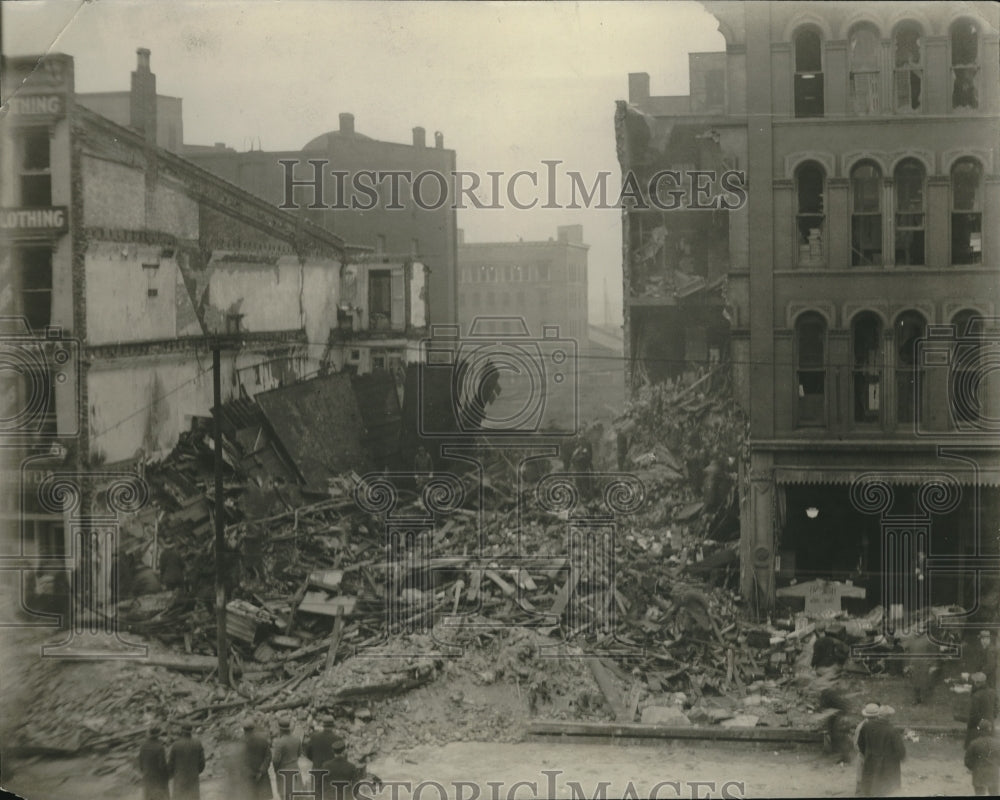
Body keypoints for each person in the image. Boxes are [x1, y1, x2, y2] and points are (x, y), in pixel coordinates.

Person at [856, 702, 906, 796]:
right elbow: (900, 750)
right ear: (889, 717)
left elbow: (860, 743)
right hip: (886, 765)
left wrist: (867, 753)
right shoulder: (892, 730)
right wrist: (898, 757)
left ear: (878, 715)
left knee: (870, 786)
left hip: (870, 760)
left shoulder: (866, 726)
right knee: (886, 790)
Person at [167, 721, 206, 800]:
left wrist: (173, 774)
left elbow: (170, 765)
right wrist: (195, 772)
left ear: (181, 731)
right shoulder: (197, 744)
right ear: (191, 731)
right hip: (193, 780)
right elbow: (202, 764)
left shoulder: (175, 745)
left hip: (179, 781)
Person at [320, 736, 366, 800]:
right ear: (344, 751)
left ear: (333, 752)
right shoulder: (351, 767)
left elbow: (321, 785)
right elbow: (356, 788)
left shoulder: (325, 765)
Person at [240, 716, 272, 800]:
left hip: (249, 779)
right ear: (254, 728)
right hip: (262, 777)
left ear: (244, 730)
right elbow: (268, 756)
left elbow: (240, 761)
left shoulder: (241, 742)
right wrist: (261, 771)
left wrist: (250, 773)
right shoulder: (262, 739)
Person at [965, 720, 1000, 796]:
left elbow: (967, 760)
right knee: (995, 794)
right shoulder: (997, 743)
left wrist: (973, 767)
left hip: (979, 773)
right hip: (993, 773)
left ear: (979, 730)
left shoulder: (974, 743)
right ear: (990, 729)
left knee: (979, 794)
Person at [272, 714, 302, 798]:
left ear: (280, 730)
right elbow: (299, 754)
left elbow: (275, 760)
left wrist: (276, 769)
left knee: (285, 795)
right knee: (296, 794)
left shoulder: (279, 742)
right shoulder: (297, 739)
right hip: (295, 768)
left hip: (283, 770)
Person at [138, 724, 170, 800]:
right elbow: (162, 765)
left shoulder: (143, 746)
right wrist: (166, 775)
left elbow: (140, 763)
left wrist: (144, 772)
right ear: (158, 735)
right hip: (158, 779)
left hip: (147, 777)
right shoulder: (160, 747)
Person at [967, 672, 999, 748]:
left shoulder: (976, 696)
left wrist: (971, 723)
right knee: (990, 747)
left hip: (977, 726)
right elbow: (997, 708)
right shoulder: (993, 693)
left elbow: (973, 713)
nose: (974, 684)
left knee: (975, 748)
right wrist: (992, 717)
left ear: (978, 683)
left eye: (976, 682)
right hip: (990, 723)